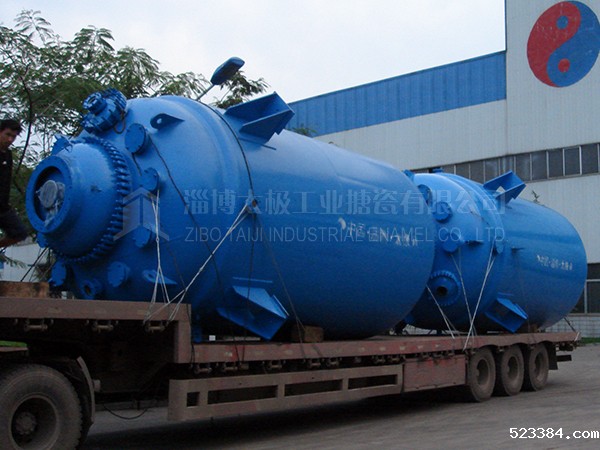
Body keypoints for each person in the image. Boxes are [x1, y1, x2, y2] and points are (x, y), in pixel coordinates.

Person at [0, 119, 28, 247]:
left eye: (13, 137)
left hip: (3, 206)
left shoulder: (8, 155)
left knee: (20, 233)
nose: (10, 139)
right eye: (7, 135)